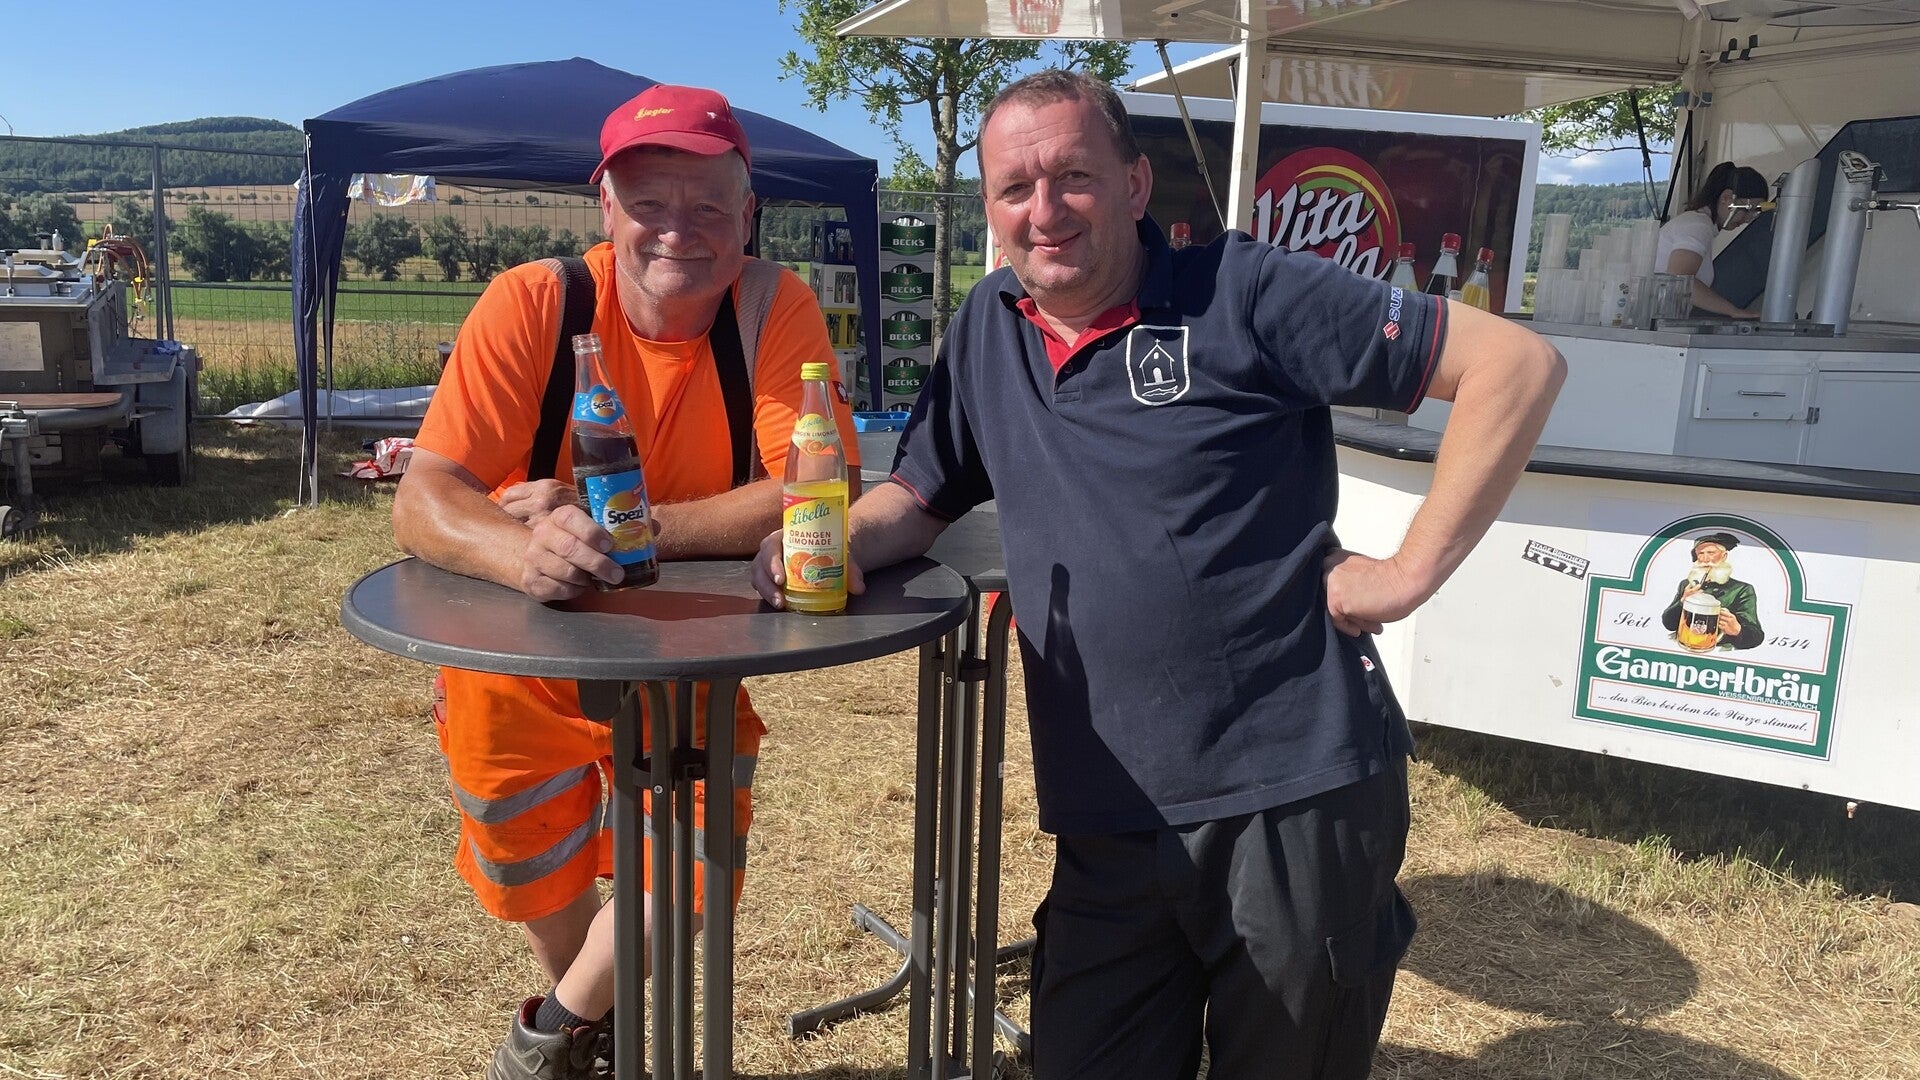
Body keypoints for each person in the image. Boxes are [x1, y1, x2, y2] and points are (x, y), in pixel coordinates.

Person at [752, 69, 1565, 1080]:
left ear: (1135, 184)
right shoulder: (988, 323)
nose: (1045, 211)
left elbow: (1514, 367)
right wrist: (825, 539)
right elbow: (918, 496)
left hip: (1290, 794)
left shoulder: (1243, 291)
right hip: (1108, 809)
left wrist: (1407, 573)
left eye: (1073, 177)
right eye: (1015, 189)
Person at [392, 83, 858, 1080]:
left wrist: (623, 532)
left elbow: (814, 484)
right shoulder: (536, 301)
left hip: (687, 655)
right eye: (649, 202)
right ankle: (588, 1033)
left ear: (748, 214)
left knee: (692, 869)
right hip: (515, 665)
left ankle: (553, 1037)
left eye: (707, 205)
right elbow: (424, 496)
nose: (677, 230)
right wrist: (523, 553)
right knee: (534, 863)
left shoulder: (771, 305)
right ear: (605, 207)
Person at [1657, 161, 1770, 318]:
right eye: (1747, 210)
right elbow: (1680, 280)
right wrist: (1734, 311)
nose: (1748, 219)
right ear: (1726, 198)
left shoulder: (1697, 223)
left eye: (1755, 213)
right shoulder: (1698, 225)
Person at [1659, 531, 1765, 650]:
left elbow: (1756, 636)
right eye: (1700, 553)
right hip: (1685, 643)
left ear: (1724, 556)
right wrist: (1682, 602)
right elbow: (1669, 624)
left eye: (1711, 553)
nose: (1705, 559)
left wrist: (1737, 630)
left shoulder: (1741, 589)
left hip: (1719, 649)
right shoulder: (1686, 585)